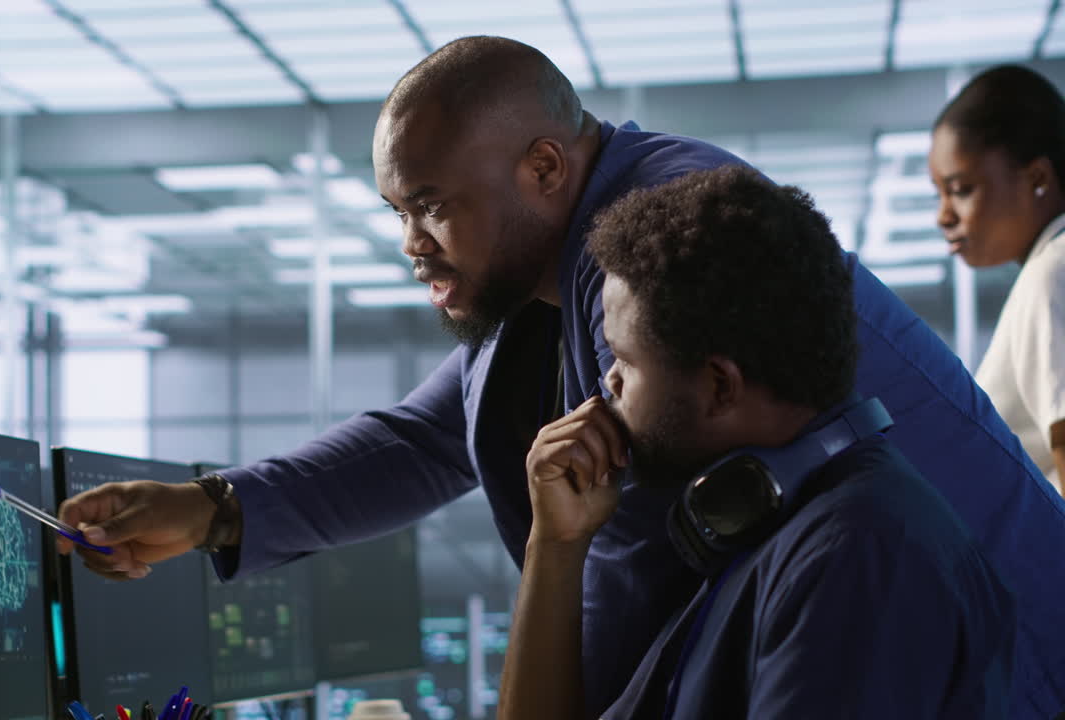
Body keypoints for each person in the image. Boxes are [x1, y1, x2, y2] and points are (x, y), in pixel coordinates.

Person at [58, 37, 1065, 716]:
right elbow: (430, 433)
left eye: (428, 205)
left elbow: (615, 600)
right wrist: (210, 507)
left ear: (541, 168)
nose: (409, 243)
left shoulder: (651, 259)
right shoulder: (560, 257)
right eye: (395, 212)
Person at [499, 165, 1013, 719]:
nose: (609, 383)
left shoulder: (856, 557)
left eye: (625, 360)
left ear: (720, 386)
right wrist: (555, 545)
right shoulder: (774, 527)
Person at [930, 64, 1065, 493]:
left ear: (1038, 178)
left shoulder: (1053, 276)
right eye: (940, 193)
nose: (943, 215)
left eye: (961, 189)